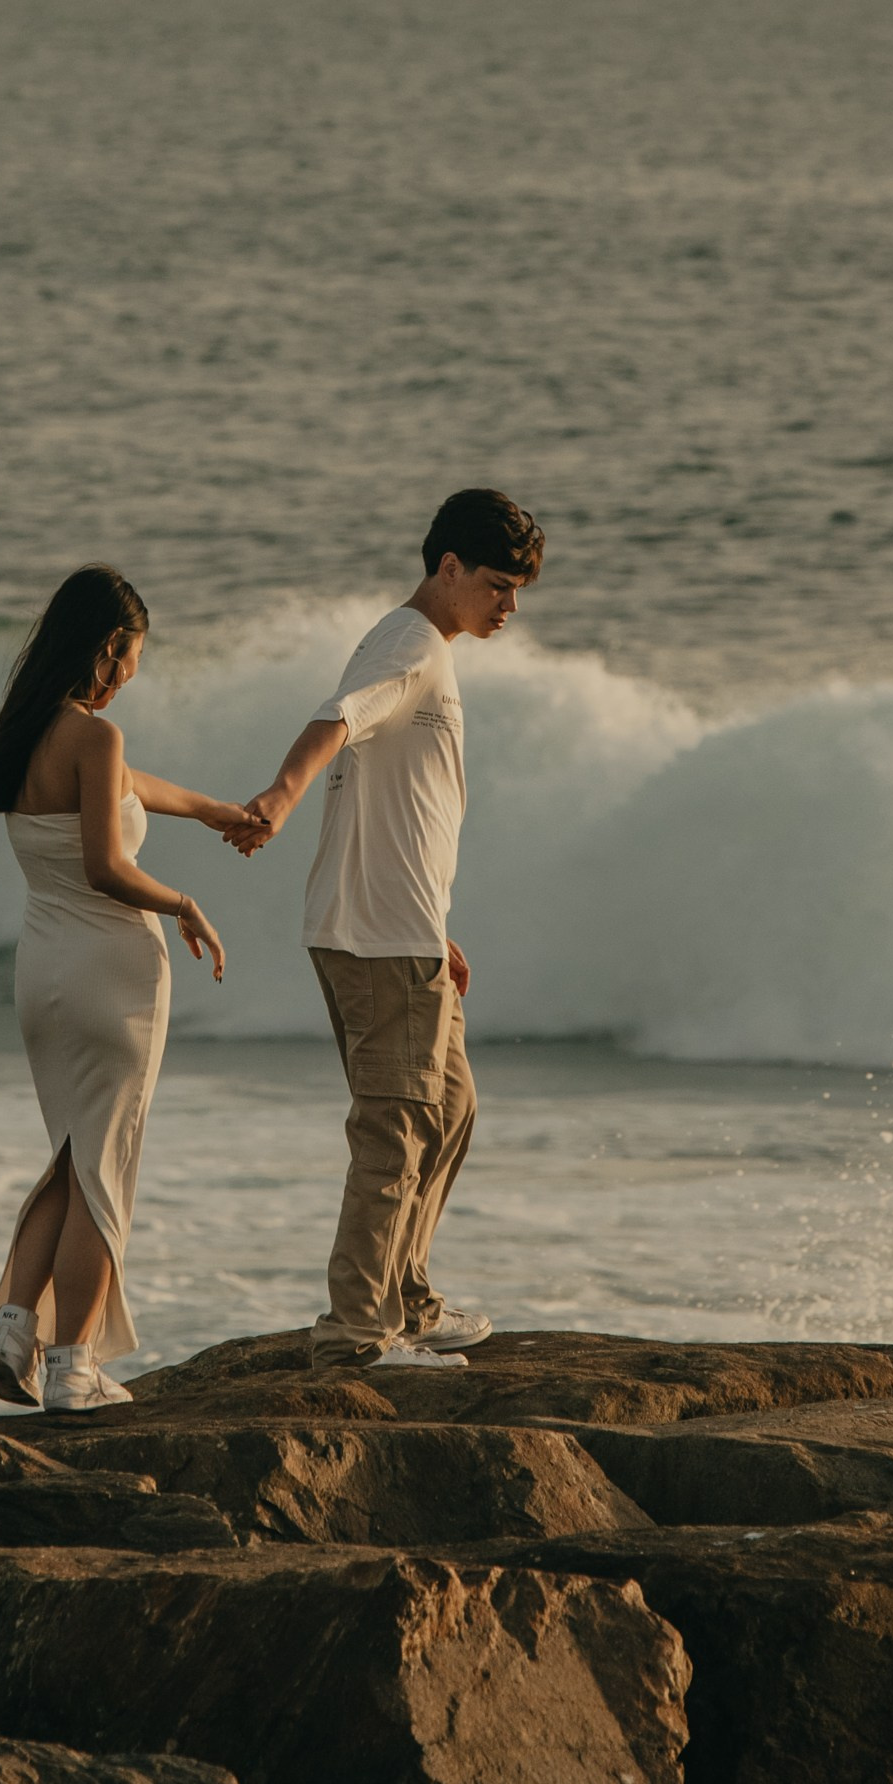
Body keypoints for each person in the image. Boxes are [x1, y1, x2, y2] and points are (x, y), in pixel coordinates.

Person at [231, 488, 544, 1371]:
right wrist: (279, 799)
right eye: (497, 584)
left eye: (518, 589)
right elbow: (334, 723)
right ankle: (357, 1331)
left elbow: (401, 807)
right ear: (447, 568)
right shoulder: (407, 644)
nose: (510, 606)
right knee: (395, 1132)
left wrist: (434, 927)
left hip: (401, 931)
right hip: (376, 941)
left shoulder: (424, 648)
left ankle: (406, 1300)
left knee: (448, 1110)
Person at [0, 564, 247, 1412]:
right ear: (103, 650)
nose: (130, 676)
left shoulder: (27, 736)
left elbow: (132, 790)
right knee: (100, 1175)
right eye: (129, 658)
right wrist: (186, 903)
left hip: (42, 974)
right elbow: (108, 866)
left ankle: (18, 1329)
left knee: (67, 1160)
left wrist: (217, 810)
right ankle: (74, 1366)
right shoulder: (95, 739)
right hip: (110, 974)